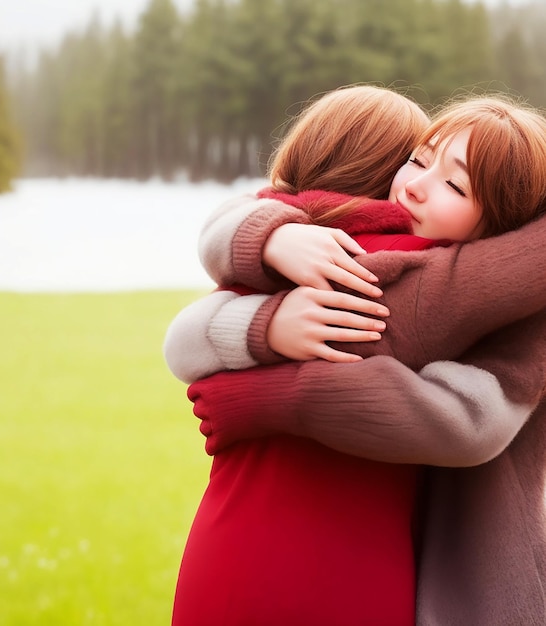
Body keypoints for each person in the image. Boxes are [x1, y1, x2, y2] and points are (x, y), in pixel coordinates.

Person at [164, 89, 546, 625]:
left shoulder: (437, 281)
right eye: (416, 159)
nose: (413, 186)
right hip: (341, 564)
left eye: (454, 184)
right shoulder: (337, 248)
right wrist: (271, 274)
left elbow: (185, 340)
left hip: (235, 548)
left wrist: (262, 385)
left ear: (497, 233)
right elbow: (186, 336)